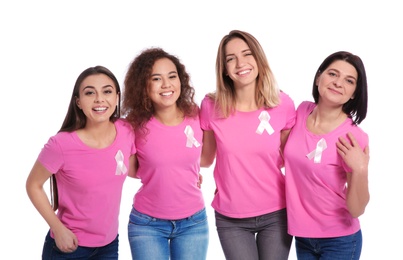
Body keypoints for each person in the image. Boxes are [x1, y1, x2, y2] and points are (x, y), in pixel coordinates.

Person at [200, 30, 296, 260]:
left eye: (247, 54)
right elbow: (205, 158)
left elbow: (292, 158)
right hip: (231, 217)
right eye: (230, 58)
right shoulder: (211, 106)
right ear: (223, 68)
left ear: (258, 59)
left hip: (277, 213)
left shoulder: (282, 104)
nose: (240, 63)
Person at [26, 66, 136, 259]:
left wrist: (185, 172)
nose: (99, 99)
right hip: (69, 246)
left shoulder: (126, 130)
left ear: (117, 97)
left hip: (109, 245)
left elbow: (135, 169)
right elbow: (33, 185)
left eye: (107, 91)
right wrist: (57, 229)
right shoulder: (61, 144)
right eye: (89, 93)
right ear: (78, 102)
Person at [122, 47, 209, 260]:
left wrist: (185, 172)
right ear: (144, 86)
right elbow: (132, 170)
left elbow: (205, 159)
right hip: (147, 225)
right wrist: (164, 173)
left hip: (194, 223)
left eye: (172, 76)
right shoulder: (133, 125)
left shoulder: (197, 115)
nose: (167, 84)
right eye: (156, 79)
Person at [283, 51, 370, 259]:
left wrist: (360, 169)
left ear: (354, 93)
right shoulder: (302, 111)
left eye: (349, 81)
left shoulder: (354, 137)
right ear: (318, 78)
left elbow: (357, 209)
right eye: (333, 74)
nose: (338, 83)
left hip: (339, 240)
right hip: (302, 236)